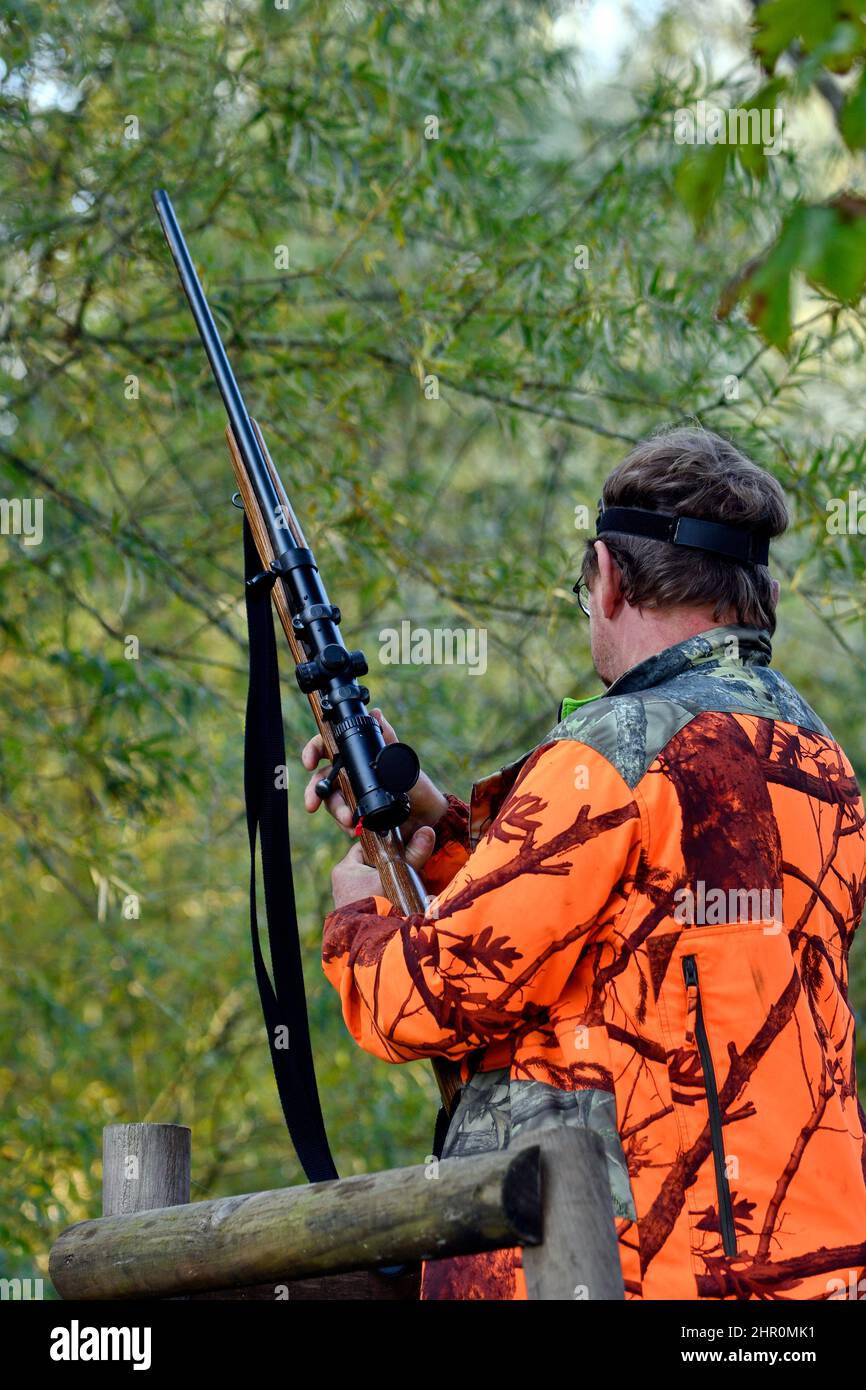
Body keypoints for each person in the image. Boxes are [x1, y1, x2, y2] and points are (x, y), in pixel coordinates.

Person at [302, 425, 866, 1301]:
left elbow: (427, 999)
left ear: (606, 576)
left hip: (614, 1269)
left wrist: (357, 912)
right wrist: (434, 819)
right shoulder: (819, 765)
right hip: (801, 1270)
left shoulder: (610, 754)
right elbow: (621, 938)